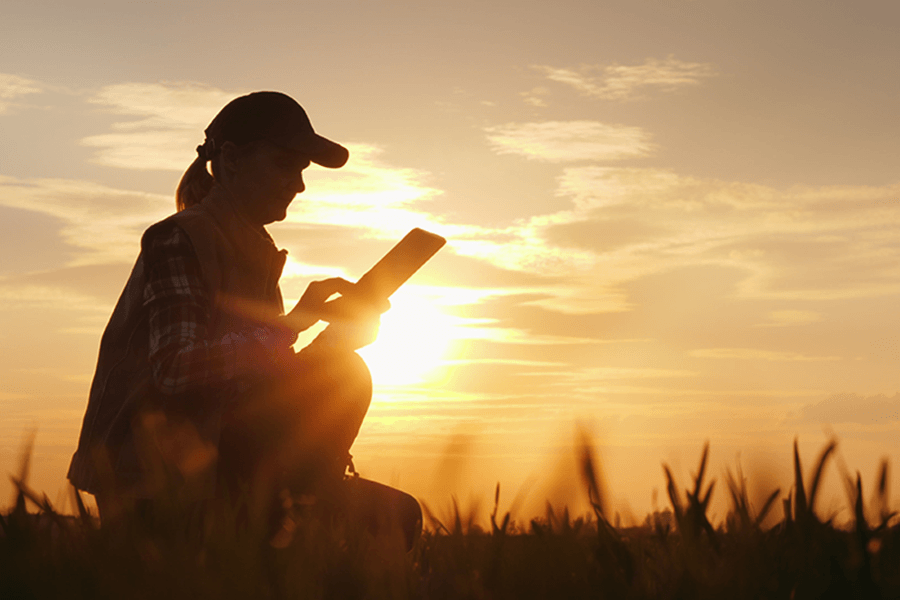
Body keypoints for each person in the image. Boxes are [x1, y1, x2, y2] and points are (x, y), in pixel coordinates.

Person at [67, 91, 421, 548]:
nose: (299, 185)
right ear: (231, 160)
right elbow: (177, 370)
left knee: (396, 511)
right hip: (161, 488)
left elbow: (258, 378)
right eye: (285, 165)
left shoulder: (255, 253)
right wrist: (294, 324)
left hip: (232, 465)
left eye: (302, 171)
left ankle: (307, 499)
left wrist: (332, 344)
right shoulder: (176, 239)